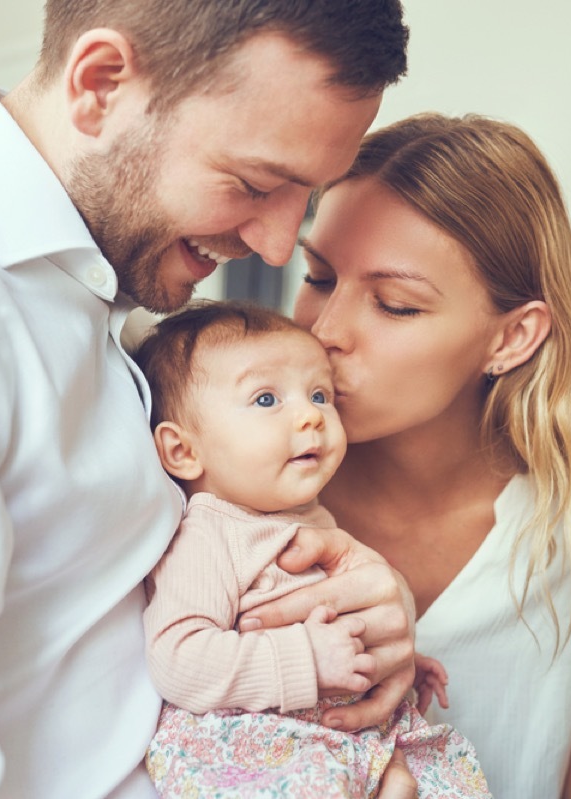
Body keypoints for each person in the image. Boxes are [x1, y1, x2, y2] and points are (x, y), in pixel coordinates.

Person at [0, 3, 414, 797]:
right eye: (256, 183)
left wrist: (363, 607)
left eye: (303, 198)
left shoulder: (107, 303)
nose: (277, 244)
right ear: (100, 86)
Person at [239, 113, 571, 798]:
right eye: (318, 275)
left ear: (513, 336)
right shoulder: (233, 484)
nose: (324, 330)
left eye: (395, 304)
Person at [131, 300, 489, 798]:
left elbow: (327, 620)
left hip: (330, 738)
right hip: (257, 752)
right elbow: (178, 658)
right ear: (183, 451)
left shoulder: (308, 521)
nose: (310, 417)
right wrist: (306, 659)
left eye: (320, 394)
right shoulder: (208, 535)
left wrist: (381, 665)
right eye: (265, 400)